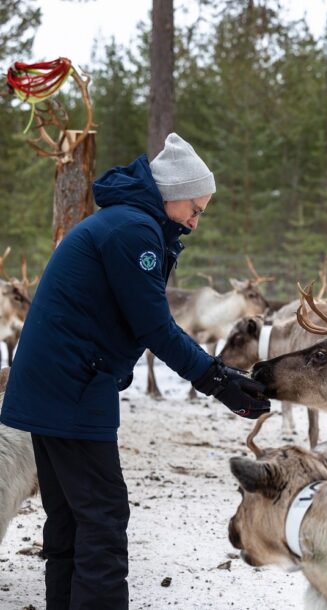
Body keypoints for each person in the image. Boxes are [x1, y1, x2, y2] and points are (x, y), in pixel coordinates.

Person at [0, 133, 270, 610]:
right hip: (73, 388)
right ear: (171, 193)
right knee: (102, 519)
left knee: (69, 521)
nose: (196, 220)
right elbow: (155, 326)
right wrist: (219, 380)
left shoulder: (125, 222)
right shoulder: (134, 232)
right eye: (195, 208)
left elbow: (123, 318)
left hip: (52, 385)